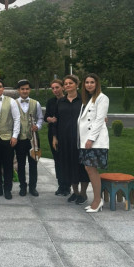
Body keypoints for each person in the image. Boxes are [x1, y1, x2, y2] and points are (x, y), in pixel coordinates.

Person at [53, 75, 89, 204]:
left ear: (76, 85)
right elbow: (56, 121)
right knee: (69, 165)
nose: (67, 85)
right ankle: (75, 192)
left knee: (81, 165)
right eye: (66, 84)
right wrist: (55, 137)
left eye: (70, 83)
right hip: (64, 138)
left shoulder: (84, 100)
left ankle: (83, 193)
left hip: (81, 138)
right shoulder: (60, 101)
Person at [77, 74, 109, 213]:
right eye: (87, 82)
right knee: (89, 170)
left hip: (94, 141)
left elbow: (99, 120)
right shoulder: (86, 100)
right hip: (85, 140)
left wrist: (91, 139)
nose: (89, 85)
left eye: (92, 82)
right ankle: (96, 199)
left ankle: (97, 200)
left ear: (97, 84)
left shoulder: (102, 98)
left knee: (92, 170)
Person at [15, 79, 43, 197]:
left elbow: (40, 118)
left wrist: (38, 126)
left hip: (34, 139)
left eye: (27, 89)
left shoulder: (36, 103)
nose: (25, 91)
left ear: (29, 90)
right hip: (20, 138)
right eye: (22, 89)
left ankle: (33, 187)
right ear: (18, 90)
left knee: (33, 164)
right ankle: (22, 187)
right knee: (21, 164)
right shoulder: (13, 103)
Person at [44, 79, 66, 195]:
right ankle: (61, 185)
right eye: (52, 88)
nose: (55, 90)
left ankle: (68, 185)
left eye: (57, 87)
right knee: (57, 159)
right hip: (53, 132)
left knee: (66, 159)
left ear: (62, 87)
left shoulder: (67, 100)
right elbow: (46, 116)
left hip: (65, 134)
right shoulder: (51, 101)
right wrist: (49, 119)